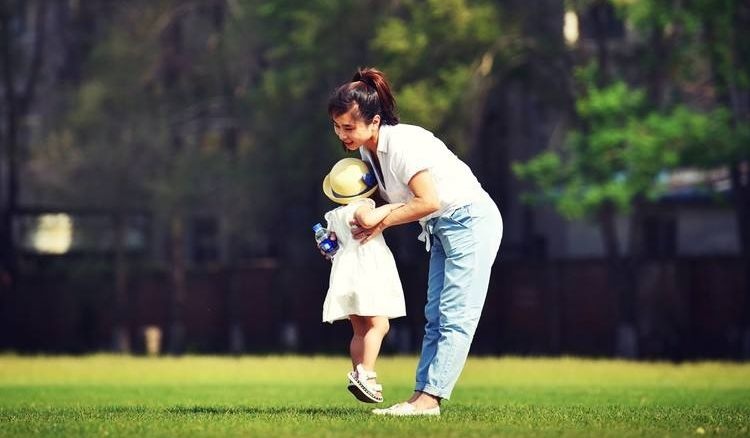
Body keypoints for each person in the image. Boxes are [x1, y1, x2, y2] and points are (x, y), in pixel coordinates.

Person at [325, 67, 503, 416]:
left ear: (374, 122)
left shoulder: (404, 143)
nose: (342, 134)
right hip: (439, 228)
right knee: (434, 316)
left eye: (349, 127)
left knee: (455, 317)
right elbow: (391, 209)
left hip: (470, 221)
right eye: (337, 126)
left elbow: (428, 200)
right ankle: (422, 398)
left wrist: (382, 218)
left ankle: (429, 400)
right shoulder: (367, 153)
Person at [319, 157, 407, 404]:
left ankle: (359, 373)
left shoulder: (335, 214)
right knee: (380, 325)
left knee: (360, 329)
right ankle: (366, 373)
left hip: (345, 272)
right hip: (366, 271)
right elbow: (367, 221)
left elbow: (331, 244)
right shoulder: (363, 205)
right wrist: (392, 207)